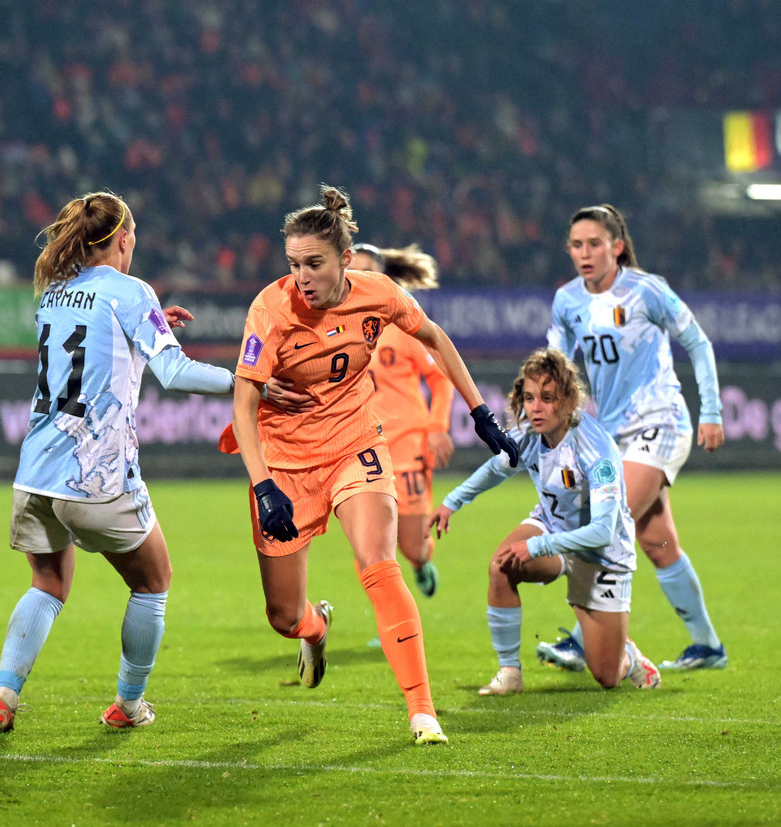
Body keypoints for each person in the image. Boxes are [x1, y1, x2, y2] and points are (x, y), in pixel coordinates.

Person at [223, 186, 519, 746]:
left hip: (356, 442)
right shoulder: (270, 309)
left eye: (314, 263)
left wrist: (480, 413)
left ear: (344, 259)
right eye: (293, 264)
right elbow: (243, 402)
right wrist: (263, 486)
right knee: (283, 615)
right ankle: (315, 628)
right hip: (284, 461)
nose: (302, 276)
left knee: (378, 565)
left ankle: (423, 713)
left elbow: (435, 337)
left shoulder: (378, 294)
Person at [0, 191, 237, 733]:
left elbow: (91, 351)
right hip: (94, 474)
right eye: (133, 236)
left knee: (48, 583)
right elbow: (176, 372)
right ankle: (128, 704)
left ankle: (4, 693)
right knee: (153, 579)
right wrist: (245, 384)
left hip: (35, 473)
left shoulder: (55, 292)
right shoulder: (129, 291)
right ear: (123, 238)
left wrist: (150, 327)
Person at [538, 204, 727, 673]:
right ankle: (708, 645)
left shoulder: (646, 291)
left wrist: (713, 410)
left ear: (616, 247)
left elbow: (698, 343)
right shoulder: (567, 301)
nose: (585, 253)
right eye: (577, 245)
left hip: (660, 421)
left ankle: (585, 641)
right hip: (613, 433)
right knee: (657, 540)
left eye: (595, 244)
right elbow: (556, 367)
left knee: (610, 518)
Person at [429, 348, 661, 694]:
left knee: (606, 676)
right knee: (501, 566)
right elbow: (497, 468)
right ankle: (510, 672)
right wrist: (452, 501)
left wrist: (537, 545)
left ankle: (627, 655)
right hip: (551, 528)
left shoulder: (596, 451)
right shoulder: (530, 436)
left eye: (547, 398)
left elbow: (601, 531)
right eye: (529, 397)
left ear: (568, 400)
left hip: (601, 556)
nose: (536, 407)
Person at [350, 243, 453, 599]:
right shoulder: (332, 328)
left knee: (412, 546)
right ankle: (392, 620)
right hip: (360, 449)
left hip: (407, 446)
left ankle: (422, 562)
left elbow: (440, 377)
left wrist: (438, 426)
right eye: (352, 270)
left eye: (367, 271)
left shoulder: (403, 324)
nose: (358, 278)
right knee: (371, 547)